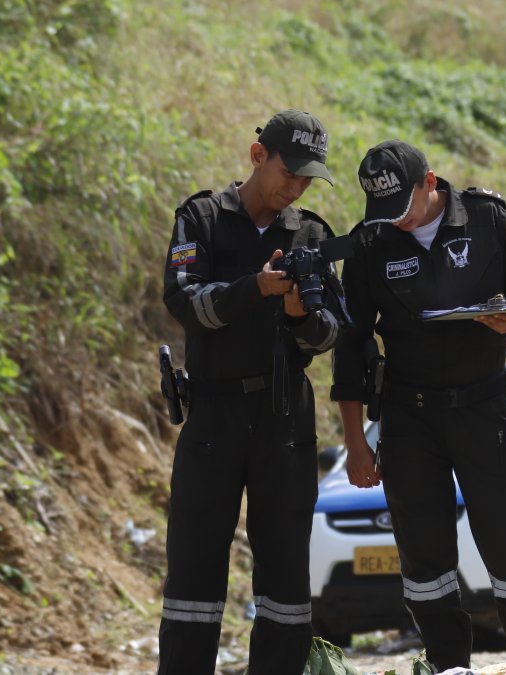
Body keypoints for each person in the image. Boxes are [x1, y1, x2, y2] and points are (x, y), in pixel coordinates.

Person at [331, 139, 506, 670]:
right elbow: (351, 344)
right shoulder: (371, 243)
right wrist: (355, 443)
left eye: (405, 208)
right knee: (424, 559)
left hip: (486, 412)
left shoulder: (486, 218)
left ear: (429, 183)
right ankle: (448, 666)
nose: (398, 223)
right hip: (409, 418)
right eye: (385, 213)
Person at [158, 109, 344, 674]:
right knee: (194, 570)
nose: (297, 187)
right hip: (213, 413)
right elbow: (183, 301)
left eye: (309, 177)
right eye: (290, 171)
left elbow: (333, 331)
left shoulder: (311, 234)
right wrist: (252, 289)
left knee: (286, 578)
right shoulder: (203, 218)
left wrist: (296, 316)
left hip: (285, 420)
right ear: (257, 155)